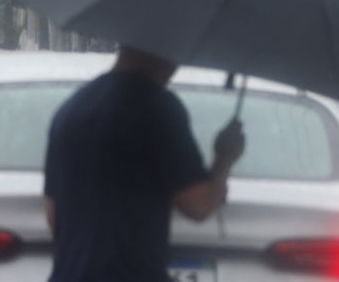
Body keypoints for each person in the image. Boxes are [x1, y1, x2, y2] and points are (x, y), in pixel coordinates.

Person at [43, 45, 245, 282]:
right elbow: (198, 205)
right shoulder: (158, 107)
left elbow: (53, 215)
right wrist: (225, 158)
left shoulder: (72, 109)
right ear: (162, 49)